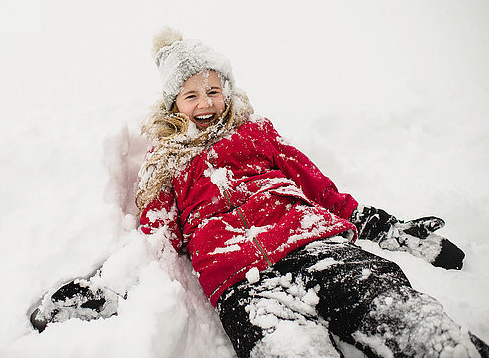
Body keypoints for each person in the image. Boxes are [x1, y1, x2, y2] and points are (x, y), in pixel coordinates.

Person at [30, 28, 488, 358]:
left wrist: (386, 227)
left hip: (316, 248)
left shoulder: (256, 135)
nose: (206, 102)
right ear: (172, 105)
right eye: (191, 95)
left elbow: (318, 187)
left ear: (228, 91)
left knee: (413, 325)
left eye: (214, 89)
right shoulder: (165, 165)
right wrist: (110, 286)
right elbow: (158, 239)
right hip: (241, 289)